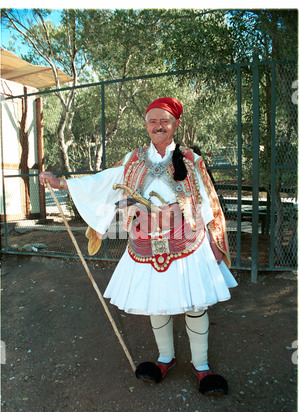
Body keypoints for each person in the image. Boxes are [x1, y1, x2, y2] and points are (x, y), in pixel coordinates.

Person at [39, 97, 237, 394]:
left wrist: (214, 239)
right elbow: (103, 183)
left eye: (165, 120)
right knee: (157, 304)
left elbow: (207, 202)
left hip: (187, 245)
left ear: (175, 124)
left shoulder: (192, 161)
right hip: (144, 245)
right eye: (153, 120)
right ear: (146, 125)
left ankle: (202, 367)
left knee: (195, 306)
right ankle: (165, 359)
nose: (159, 126)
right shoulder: (132, 159)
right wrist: (61, 184)